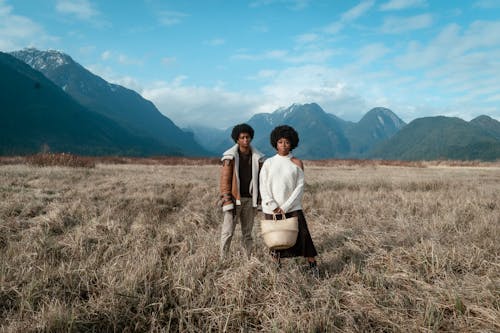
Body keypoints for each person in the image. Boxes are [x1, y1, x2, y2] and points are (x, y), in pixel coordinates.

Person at [259, 125, 319, 277]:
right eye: (280, 142)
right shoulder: (268, 163)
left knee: (303, 237)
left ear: (292, 143)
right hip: (271, 209)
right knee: (275, 239)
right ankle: (276, 269)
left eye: (286, 142)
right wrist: (273, 205)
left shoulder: (297, 163)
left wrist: (285, 206)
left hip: (292, 207)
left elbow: (299, 187)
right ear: (275, 143)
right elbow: (263, 186)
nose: (283, 145)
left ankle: (313, 268)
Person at [219, 123, 265, 259]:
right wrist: (227, 200)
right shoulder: (230, 158)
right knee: (227, 232)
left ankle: (248, 259)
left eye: (248, 137)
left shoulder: (258, 158)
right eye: (242, 137)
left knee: (247, 233)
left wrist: (260, 199)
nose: (246, 140)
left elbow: (261, 181)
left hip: (250, 200)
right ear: (237, 140)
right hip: (234, 200)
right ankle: (223, 259)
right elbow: (225, 181)